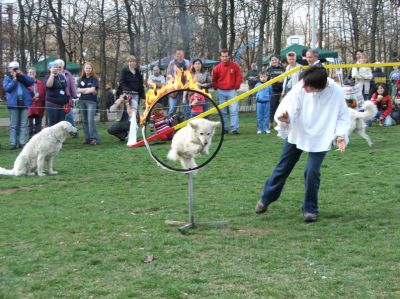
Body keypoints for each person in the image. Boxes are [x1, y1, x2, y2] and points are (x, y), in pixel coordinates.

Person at [255, 66, 350, 223]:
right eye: (304, 84)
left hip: (322, 135)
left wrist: (340, 135)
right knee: (283, 167)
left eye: (308, 86)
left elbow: (342, 116)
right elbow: (290, 108)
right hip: (299, 131)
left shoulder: (336, 92)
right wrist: (286, 119)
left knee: (312, 172)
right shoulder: (300, 87)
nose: (304, 87)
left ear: (319, 86)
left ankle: (310, 209)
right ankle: (266, 199)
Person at [2, 61, 34, 149]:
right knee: (13, 124)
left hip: (24, 103)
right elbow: (7, 88)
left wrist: (22, 75)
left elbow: (31, 82)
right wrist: (15, 79)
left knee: (23, 124)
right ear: (9, 69)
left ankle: (22, 142)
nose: (14, 70)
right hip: (13, 104)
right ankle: (13, 143)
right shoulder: (7, 78)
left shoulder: (23, 77)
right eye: (12, 68)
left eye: (16, 68)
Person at [212, 49, 243, 134]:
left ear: (229, 56)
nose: (224, 58)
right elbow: (214, 80)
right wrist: (216, 88)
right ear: (220, 57)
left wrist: (236, 86)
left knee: (233, 110)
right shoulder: (217, 68)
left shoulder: (235, 66)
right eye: (223, 56)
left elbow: (239, 77)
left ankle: (234, 129)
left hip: (232, 91)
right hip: (220, 91)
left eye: (226, 56)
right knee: (222, 111)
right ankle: (224, 128)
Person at [76, 62, 99, 145]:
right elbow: (77, 90)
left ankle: (94, 138)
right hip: (82, 101)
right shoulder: (81, 79)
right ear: (84, 69)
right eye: (86, 68)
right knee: (84, 121)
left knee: (90, 120)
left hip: (91, 102)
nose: (88, 69)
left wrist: (84, 90)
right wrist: (88, 90)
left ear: (92, 69)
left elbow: (93, 90)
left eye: (89, 68)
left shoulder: (94, 79)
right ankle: (87, 138)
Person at [54, 59, 78, 132]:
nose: (59, 68)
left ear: (63, 66)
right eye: (57, 66)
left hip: (67, 97)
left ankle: (74, 131)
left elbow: (72, 85)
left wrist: (74, 95)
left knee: (68, 115)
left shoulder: (68, 74)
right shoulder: (53, 74)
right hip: (56, 98)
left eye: (60, 66)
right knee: (58, 116)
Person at [166, 48, 191, 117]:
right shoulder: (171, 63)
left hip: (185, 91)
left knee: (187, 110)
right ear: (175, 55)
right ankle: (169, 126)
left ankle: (187, 126)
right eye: (178, 54)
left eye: (181, 54)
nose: (179, 55)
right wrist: (169, 89)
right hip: (174, 91)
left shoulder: (187, 63)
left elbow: (190, 77)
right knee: (171, 110)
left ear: (183, 55)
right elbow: (168, 77)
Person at [45, 61, 70, 126]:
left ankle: (59, 136)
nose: (56, 68)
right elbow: (49, 85)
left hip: (62, 104)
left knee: (61, 123)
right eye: (54, 67)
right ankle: (51, 136)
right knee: (53, 123)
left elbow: (65, 87)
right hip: (52, 104)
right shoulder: (47, 77)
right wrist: (52, 74)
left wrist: (68, 98)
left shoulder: (61, 76)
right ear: (49, 69)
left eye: (56, 67)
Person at [266, 54, 285, 129]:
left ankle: (279, 123)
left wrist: (279, 80)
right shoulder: (268, 69)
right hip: (273, 91)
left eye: (275, 59)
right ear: (270, 61)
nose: (274, 61)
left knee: (280, 108)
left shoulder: (283, 69)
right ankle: (270, 122)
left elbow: (285, 78)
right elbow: (267, 80)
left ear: (278, 60)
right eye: (272, 60)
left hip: (282, 90)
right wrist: (277, 80)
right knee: (272, 107)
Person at [27, 67, 45, 138]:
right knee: (30, 123)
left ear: (35, 74)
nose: (31, 74)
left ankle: (38, 138)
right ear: (27, 74)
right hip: (30, 105)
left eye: (33, 73)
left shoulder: (40, 83)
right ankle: (30, 137)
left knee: (38, 123)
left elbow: (43, 92)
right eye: (30, 73)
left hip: (38, 105)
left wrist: (39, 97)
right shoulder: (26, 83)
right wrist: (32, 98)